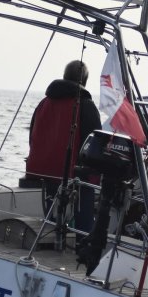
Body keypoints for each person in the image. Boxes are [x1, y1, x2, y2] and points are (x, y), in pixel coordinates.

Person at [25, 59, 101, 232]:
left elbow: (32, 136)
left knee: (52, 211)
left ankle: (51, 237)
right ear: (85, 81)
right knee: (85, 200)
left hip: (42, 169)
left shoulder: (43, 103)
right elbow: (95, 143)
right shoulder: (86, 105)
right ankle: (82, 241)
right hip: (71, 172)